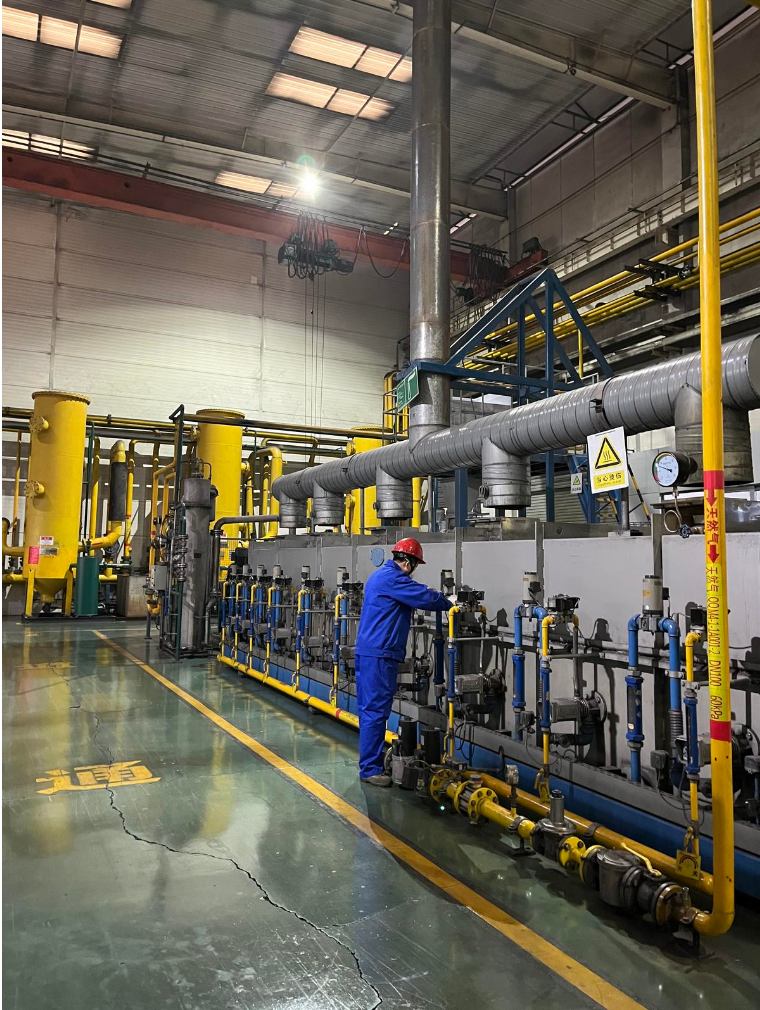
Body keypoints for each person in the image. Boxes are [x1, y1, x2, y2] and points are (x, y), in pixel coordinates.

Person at [354, 538, 454, 787]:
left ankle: (370, 763)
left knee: (370, 711)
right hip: (380, 655)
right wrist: (449, 602)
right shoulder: (394, 579)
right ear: (408, 563)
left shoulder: (381, 576)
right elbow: (424, 597)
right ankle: (370, 769)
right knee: (375, 712)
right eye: (415, 565)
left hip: (371, 652)